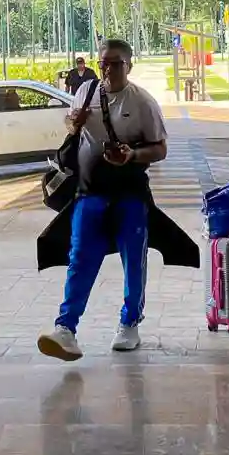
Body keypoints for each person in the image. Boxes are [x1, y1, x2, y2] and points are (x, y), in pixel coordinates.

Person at [37, 37, 170, 360]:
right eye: (103, 63)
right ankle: (66, 328)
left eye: (115, 63)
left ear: (129, 65)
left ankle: (129, 322)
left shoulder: (142, 102)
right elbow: (71, 125)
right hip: (89, 191)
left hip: (130, 194)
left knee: (132, 260)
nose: (108, 69)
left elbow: (160, 148)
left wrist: (132, 154)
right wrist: (74, 123)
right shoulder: (86, 91)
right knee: (80, 256)